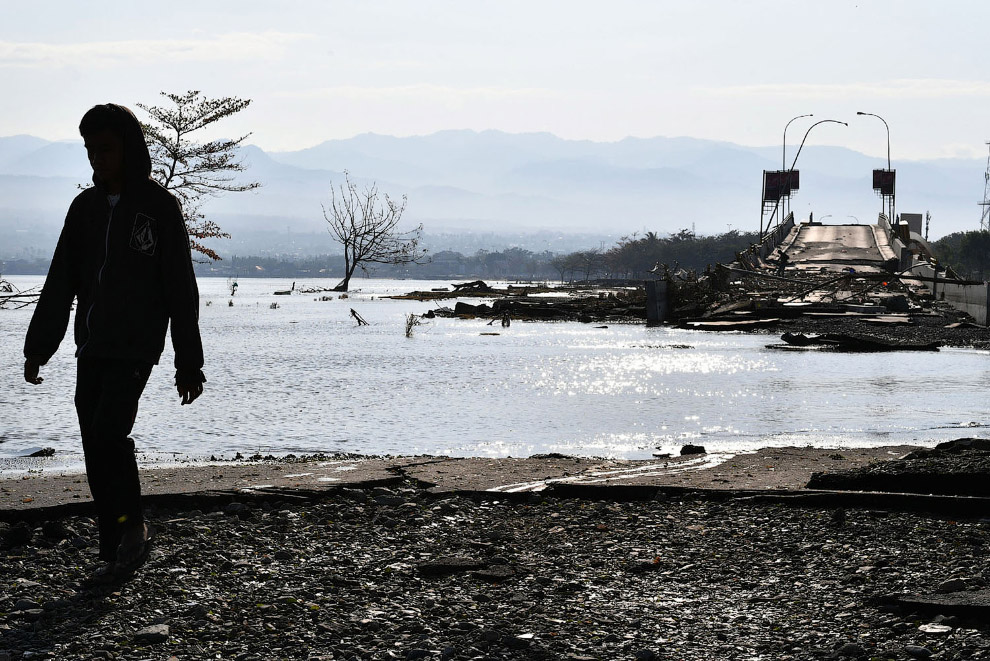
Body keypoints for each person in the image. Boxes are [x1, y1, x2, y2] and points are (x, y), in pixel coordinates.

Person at [23, 104, 206, 582]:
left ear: (129, 148)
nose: (97, 159)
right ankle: (117, 542)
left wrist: (189, 363)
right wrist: (38, 347)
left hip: (137, 346)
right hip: (93, 346)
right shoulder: (83, 210)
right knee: (93, 442)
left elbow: (180, 289)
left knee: (108, 434)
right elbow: (60, 280)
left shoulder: (159, 208)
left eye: (105, 149)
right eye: (90, 150)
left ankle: (133, 529)